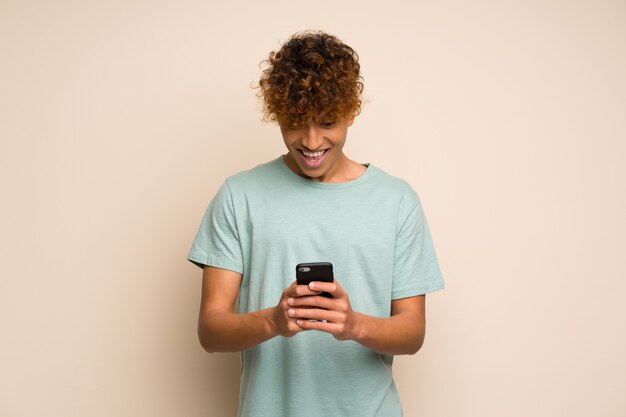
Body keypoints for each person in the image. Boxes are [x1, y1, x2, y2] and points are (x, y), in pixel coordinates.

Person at [187, 31, 444, 417]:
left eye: (327, 122)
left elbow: (412, 333)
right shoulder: (239, 195)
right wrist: (274, 321)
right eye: (295, 123)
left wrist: (354, 325)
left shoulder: (396, 201)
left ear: (351, 112)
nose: (311, 141)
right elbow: (211, 331)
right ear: (277, 114)